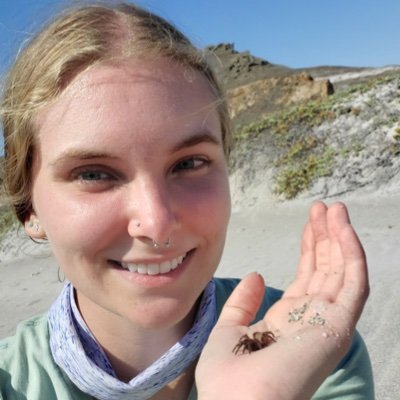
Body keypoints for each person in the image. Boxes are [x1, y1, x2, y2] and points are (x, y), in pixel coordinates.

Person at [0, 2, 373, 399]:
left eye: (189, 163)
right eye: (93, 173)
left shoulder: (313, 347)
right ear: (29, 209)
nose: (156, 222)